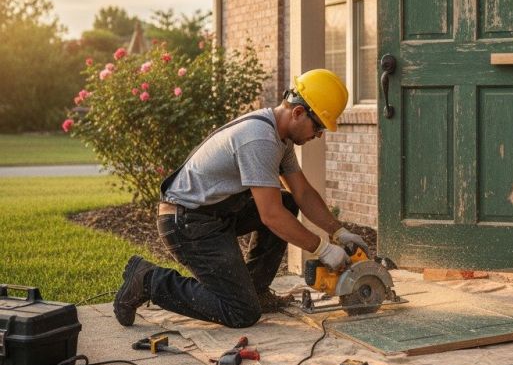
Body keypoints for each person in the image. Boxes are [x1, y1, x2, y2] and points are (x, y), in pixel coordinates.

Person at [113, 68, 369, 328]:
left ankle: (255, 290)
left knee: (288, 202)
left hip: (211, 213)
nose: (319, 135)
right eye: (318, 126)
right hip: (186, 222)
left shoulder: (280, 138)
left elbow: (302, 192)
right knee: (241, 312)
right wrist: (323, 249)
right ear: (298, 112)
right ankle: (147, 279)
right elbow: (271, 216)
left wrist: (338, 232)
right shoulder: (260, 140)